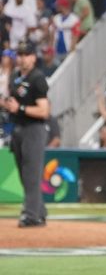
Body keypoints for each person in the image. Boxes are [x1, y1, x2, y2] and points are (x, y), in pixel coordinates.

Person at [4, 42, 50, 227]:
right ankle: (40, 210)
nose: (22, 58)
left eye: (26, 54)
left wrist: (20, 108)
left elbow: (44, 111)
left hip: (34, 129)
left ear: (33, 57)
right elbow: (14, 101)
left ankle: (30, 215)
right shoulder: (15, 76)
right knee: (24, 174)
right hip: (18, 128)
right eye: (20, 54)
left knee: (31, 174)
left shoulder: (37, 78)